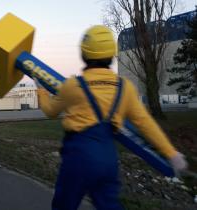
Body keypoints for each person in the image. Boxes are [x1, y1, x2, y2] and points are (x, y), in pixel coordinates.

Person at [35, 25, 188, 210]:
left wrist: (41, 92)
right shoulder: (125, 88)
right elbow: (145, 123)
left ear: (84, 53)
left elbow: (50, 111)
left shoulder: (73, 86)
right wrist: (171, 153)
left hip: (77, 160)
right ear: (111, 55)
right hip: (107, 160)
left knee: (63, 205)